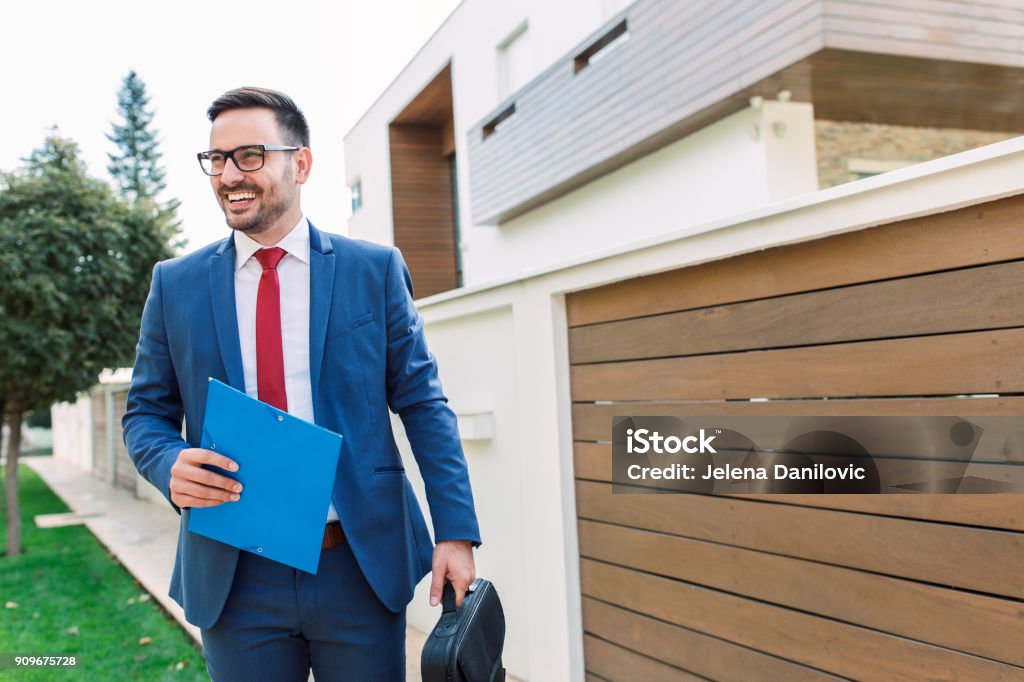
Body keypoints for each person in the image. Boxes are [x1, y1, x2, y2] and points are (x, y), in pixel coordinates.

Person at [122, 87, 480, 681]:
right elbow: (144, 415)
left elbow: (423, 404)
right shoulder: (175, 285)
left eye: (251, 155)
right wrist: (168, 463)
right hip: (234, 576)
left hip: (357, 567)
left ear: (301, 163)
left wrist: (457, 532)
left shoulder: (373, 270)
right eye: (217, 159)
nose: (230, 175)